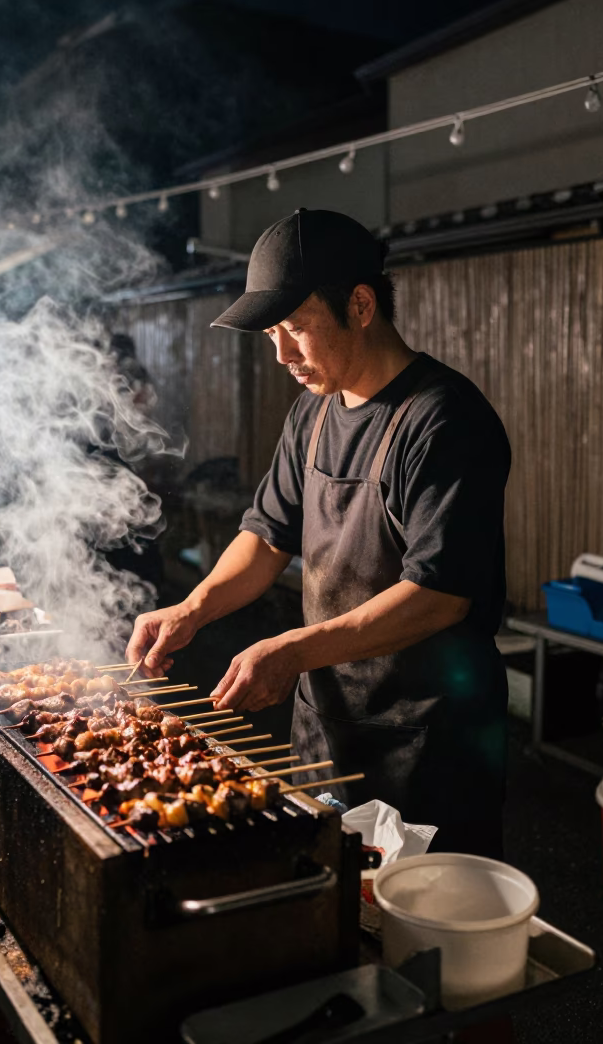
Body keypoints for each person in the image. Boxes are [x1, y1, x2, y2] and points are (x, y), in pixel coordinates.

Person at [127, 208, 510, 856]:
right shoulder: (312, 412)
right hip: (327, 731)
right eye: (272, 333)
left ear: (360, 305)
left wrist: (294, 650)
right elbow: (268, 534)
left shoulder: (443, 421)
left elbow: (440, 594)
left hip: (430, 742)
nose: (281, 354)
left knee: (420, 942)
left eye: (296, 328)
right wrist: (193, 609)